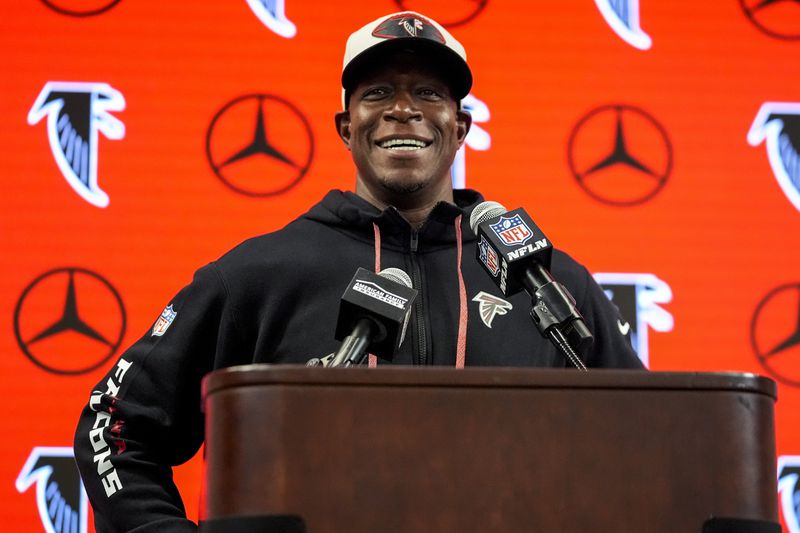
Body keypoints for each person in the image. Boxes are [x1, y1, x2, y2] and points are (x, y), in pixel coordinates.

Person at [74, 11, 644, 532]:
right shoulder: (259, 274)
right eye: (378, 93)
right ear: (347, 127)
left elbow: (647, 442)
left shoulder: (549, 283)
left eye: (428, 93)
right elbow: (116, 426)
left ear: (461, 127)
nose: (404, 109)